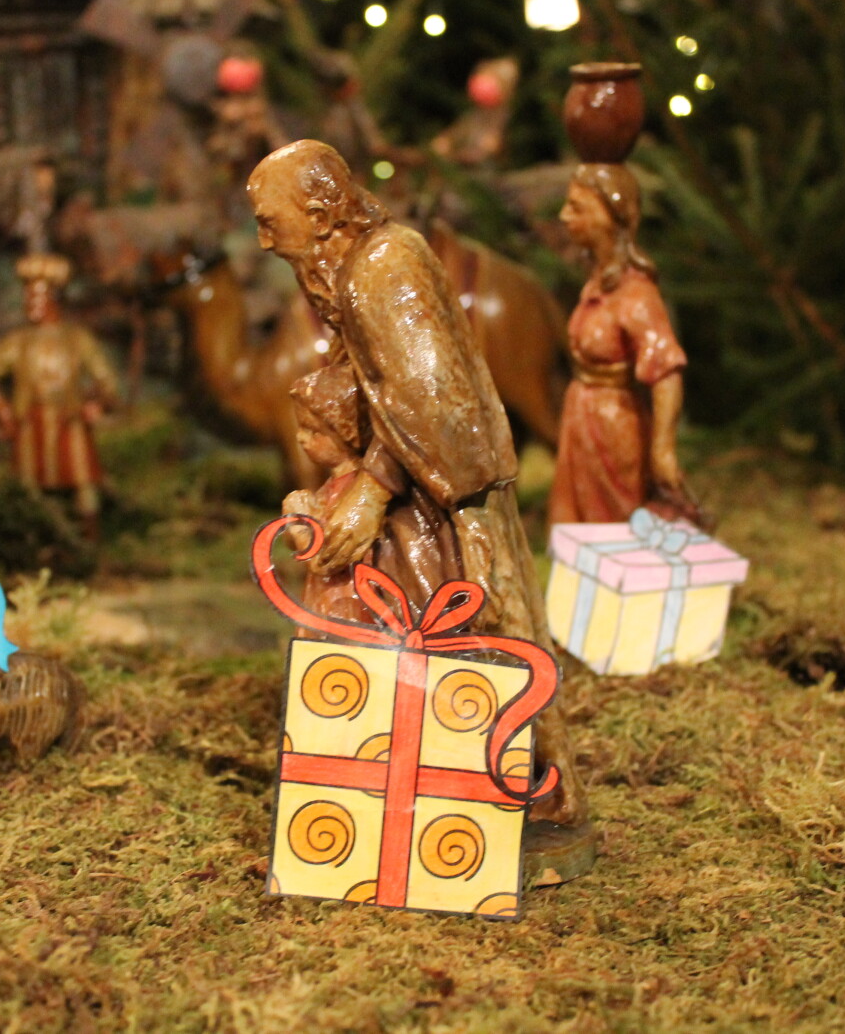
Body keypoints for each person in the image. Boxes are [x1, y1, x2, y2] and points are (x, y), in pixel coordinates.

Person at [247, 140, 593, 876]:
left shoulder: (383, 268)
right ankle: (418, 788)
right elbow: (377, 380)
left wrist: (372, 490)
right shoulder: (342, 269)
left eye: (271, 220)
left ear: (320, 211)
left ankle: (518, 793)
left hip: (449, 494)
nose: (265, 240)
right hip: (411, 486)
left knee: (482, 631)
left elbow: (431, 395)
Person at [548, 163, 702, 526]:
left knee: (615, 524)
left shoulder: (637, 296)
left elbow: (666, 373)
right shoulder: (597, 283)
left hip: (613, 428)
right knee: (574, 522)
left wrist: (663, 449)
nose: (564, 216)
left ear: (610, 215)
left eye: (577, 207)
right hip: (580, 418)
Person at [0, 252, 119, 534]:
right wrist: (3, 410)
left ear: (53, 299)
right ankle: (34, 536)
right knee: (28, 486)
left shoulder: (77, 339)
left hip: (70, 422)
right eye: (28, 297)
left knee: (83, 481)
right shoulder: (18, 342)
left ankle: (90, 536)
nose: (30, 304)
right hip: (30, 424)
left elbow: (106, 379)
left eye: (37, 297)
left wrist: (97, 403)